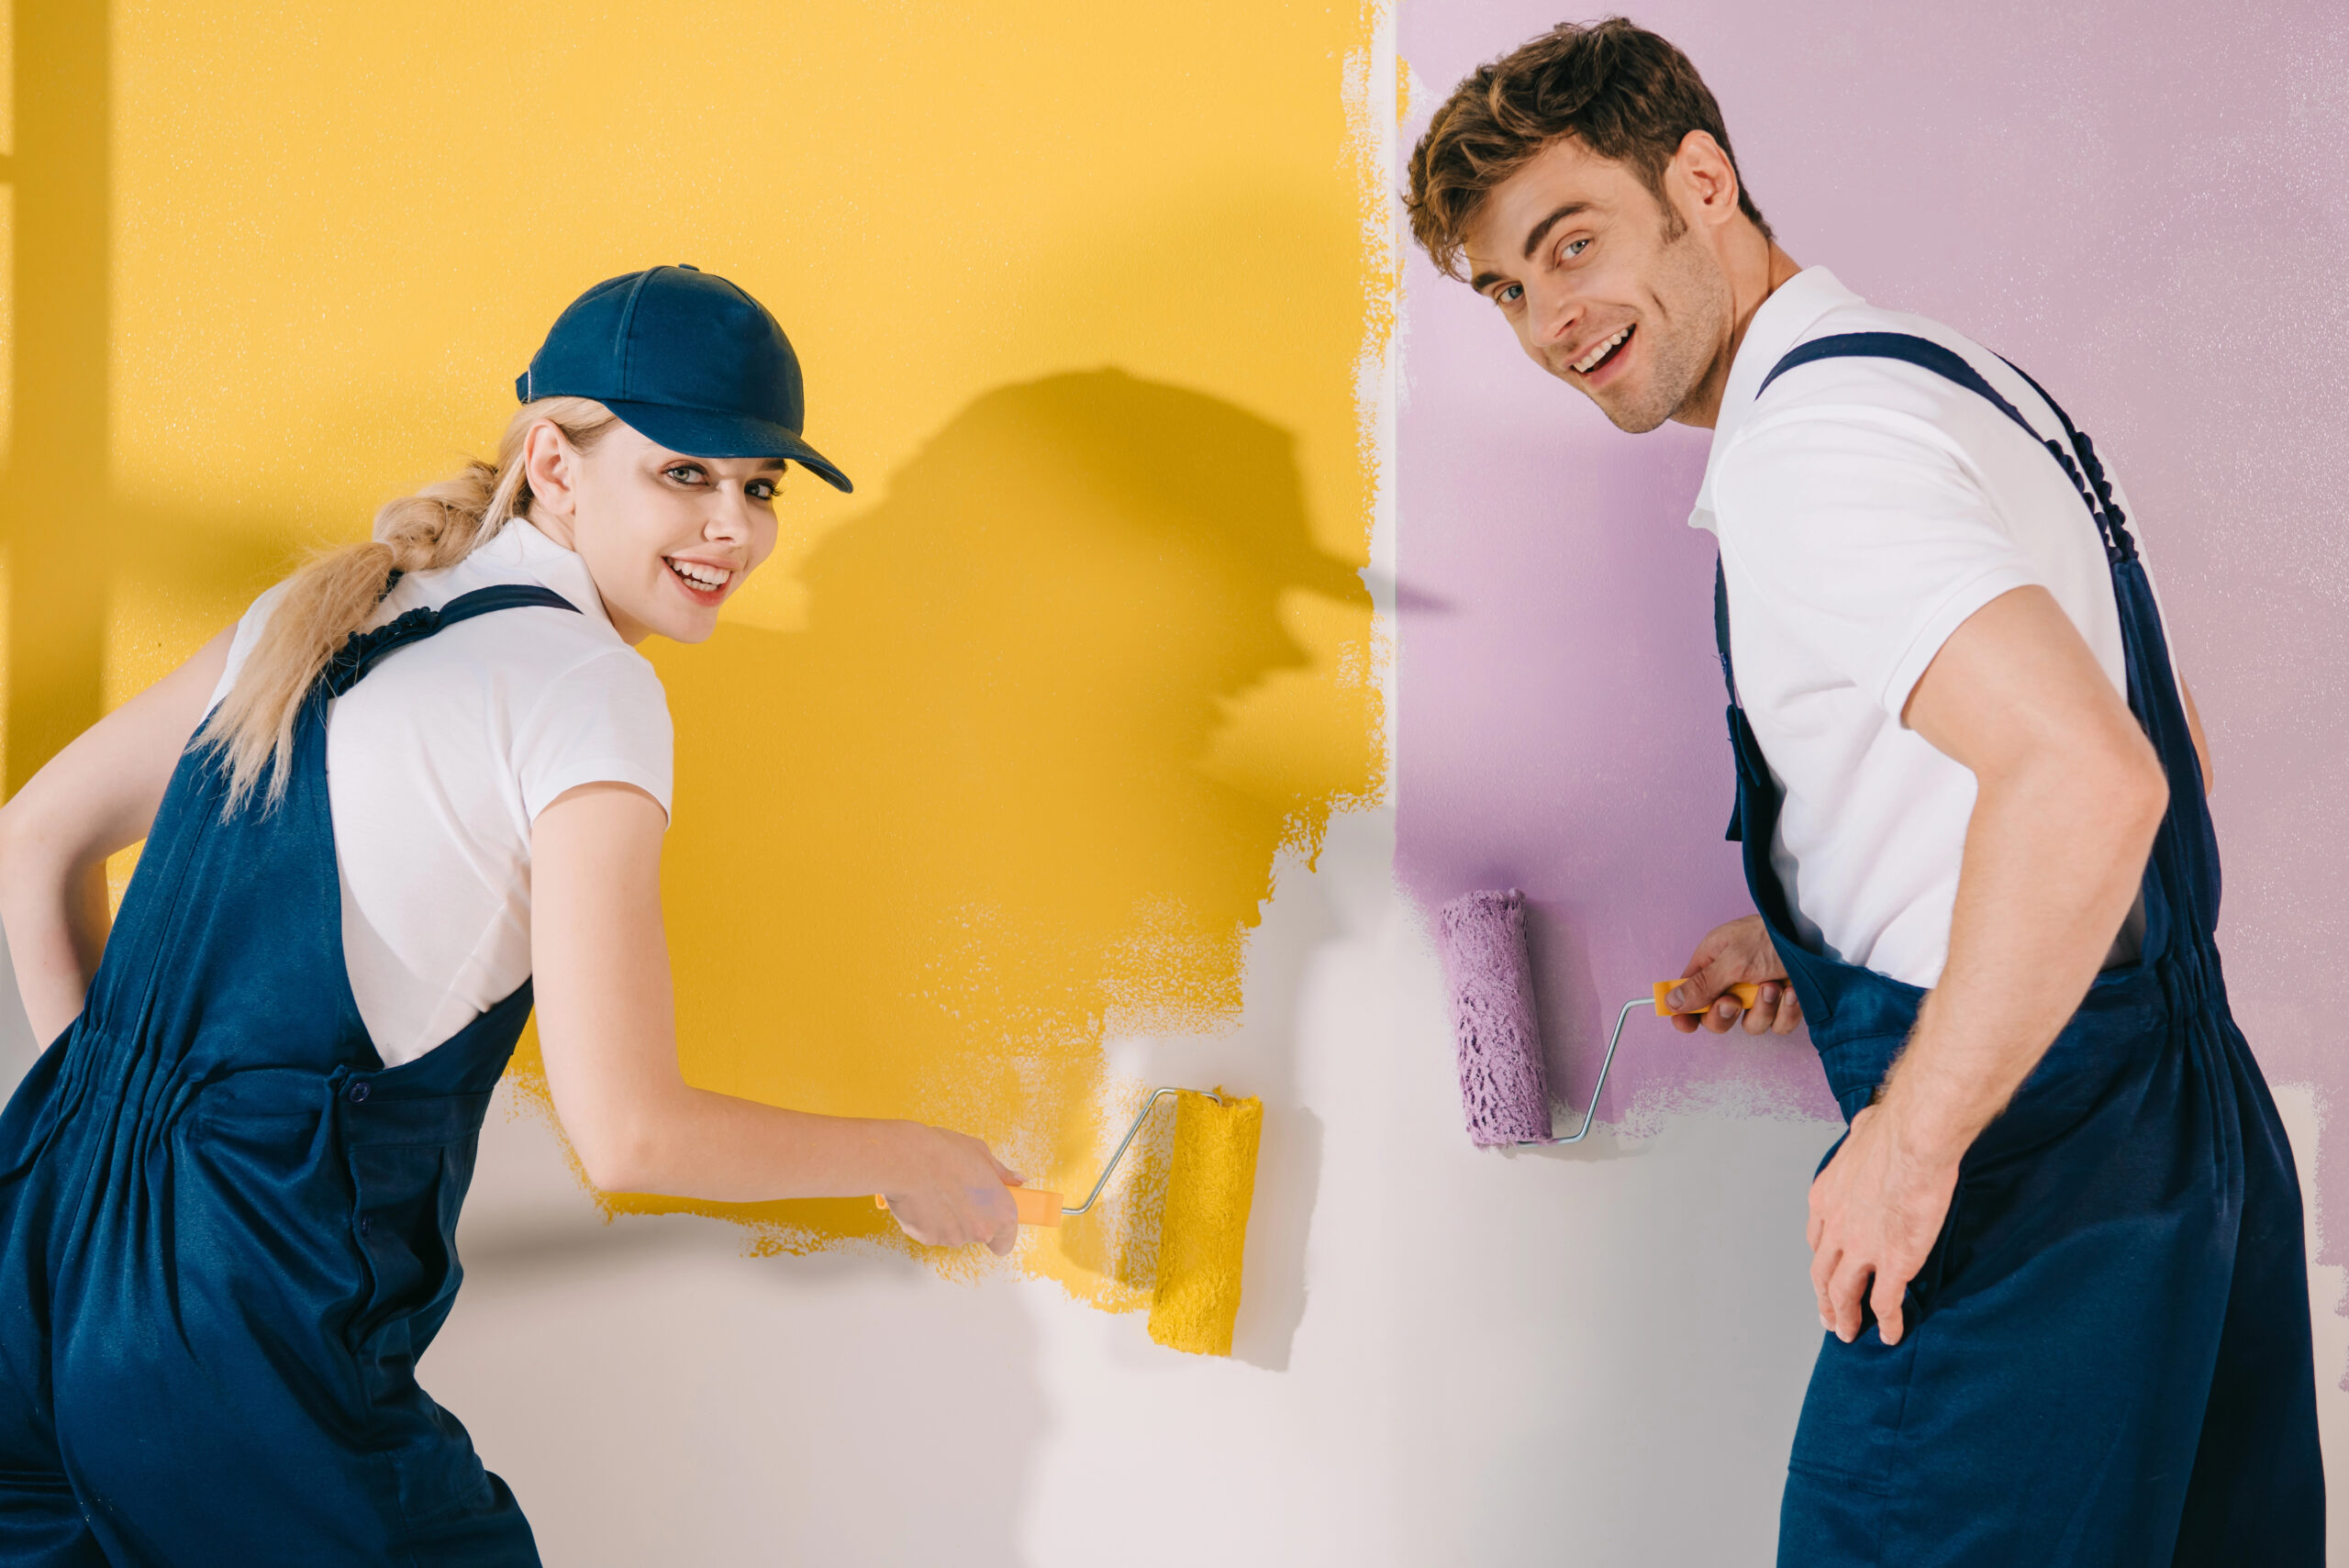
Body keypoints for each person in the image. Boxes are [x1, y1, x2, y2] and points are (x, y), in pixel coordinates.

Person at [1406, 19, 2320, 1566]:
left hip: (2036, 1180)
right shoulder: (1951, 383)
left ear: (1701, 180)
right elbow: (2166, 768)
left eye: (1573, 244)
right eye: (1507, 288)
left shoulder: (1811, 452)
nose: (1550, 319)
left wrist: (1912, 1135)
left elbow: (2092, 781)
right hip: (2194, 1143)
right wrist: (1832, 910)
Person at [0, 264, 1028, 1563]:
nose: (734, 529)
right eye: (684, 474)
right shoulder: (585, 695)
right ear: (555, 459)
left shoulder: (321, 612)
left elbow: (31, 842)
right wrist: (915, 1158)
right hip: (241, 1346)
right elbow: (634, 1131)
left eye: (758, 489)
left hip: (34, 1270)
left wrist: (124, 1158)